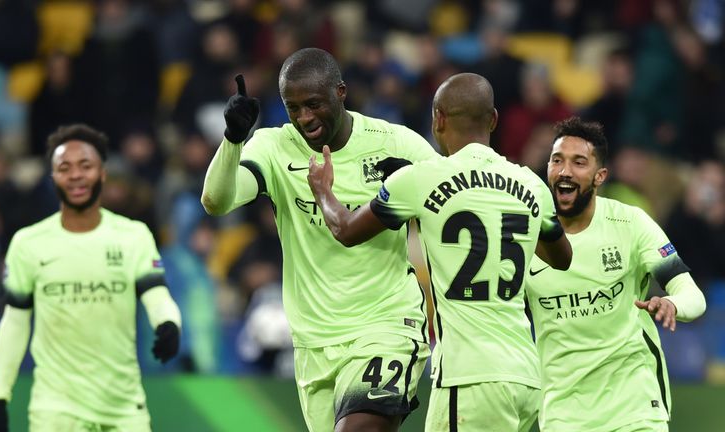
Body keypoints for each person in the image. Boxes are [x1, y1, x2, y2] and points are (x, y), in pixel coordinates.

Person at [306, 72, 572, 431]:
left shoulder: (421, 178)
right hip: (526, 376)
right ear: (493, 120)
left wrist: (323, 190)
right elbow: (562, 257)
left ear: (438, 119)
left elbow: (346, 230)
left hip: (470, 376)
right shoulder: (530, 184)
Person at [200, 47, 438, 431]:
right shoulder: (273, 147)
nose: (304, 118)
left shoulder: (397, 144)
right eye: (293, 108)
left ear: (340, 92)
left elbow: (452, 210)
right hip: (313, 343)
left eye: (313, 104)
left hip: (386, 325)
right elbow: (216, 201)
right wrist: (232, 139)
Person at [0, 124, 182, 432]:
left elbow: (156, 295)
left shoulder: (133, 236)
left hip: (123, 408)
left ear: (102, 173)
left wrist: (168, 324)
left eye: (85, 165)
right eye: (64, 167)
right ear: (53, 178)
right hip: (55, 410)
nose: (75, 175)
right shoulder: (28, 243)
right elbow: (15, 322)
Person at [525, 116, 707, 431]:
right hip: (563, 413)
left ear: (600, 176)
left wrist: (672, 304)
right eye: (558, 161)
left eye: (579, 162)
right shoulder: (527, 235)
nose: (565, 171)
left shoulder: (631, 223)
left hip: (634, 407)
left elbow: (693, 295)